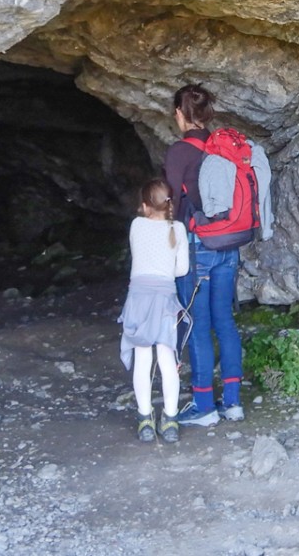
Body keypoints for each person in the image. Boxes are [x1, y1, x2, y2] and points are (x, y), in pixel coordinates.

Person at [164, 83, 244, 427]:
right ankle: (233, 403)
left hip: (198, 249)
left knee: (198, 326)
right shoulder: (222, 147)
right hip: (229, 245)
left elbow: (171, 205)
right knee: (225, 322)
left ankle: (203, 406)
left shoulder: (179, 152)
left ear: (180, 115)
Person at [118, 178, 189, 443]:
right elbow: (181, 270)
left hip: (139, 298)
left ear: (146, 206)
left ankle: (145, 419)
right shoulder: (178, 229)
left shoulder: (137, 225)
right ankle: (170, 421)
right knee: (167, 358)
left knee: (143, 359)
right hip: (164, 299)